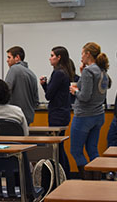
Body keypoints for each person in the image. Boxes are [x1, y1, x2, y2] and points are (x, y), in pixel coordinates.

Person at [69, 42, 110, 179]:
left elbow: (85, 97)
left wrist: (75, 91)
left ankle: (87, 182)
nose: (81, 57)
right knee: (92, 149)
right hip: (98, 115)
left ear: (87, 54)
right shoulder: (102, 70)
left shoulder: (88, 71)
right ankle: (96, 182)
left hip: (84, 116)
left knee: (76, 151)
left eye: (82, 53)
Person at [39, 46, 74, 178]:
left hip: (57, 114)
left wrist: (44, 85)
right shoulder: (65, 71)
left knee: (57, 148)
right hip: (63, 113)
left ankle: (63, 175)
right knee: (59, 147)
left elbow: (49, 95)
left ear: (59, 57)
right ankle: (64, 175)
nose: (50, 57)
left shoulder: (58, 73)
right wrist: (46, 85)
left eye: (52, 55)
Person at [5, 46, 39, 125]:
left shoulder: (13, 69)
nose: (7, 60)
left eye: (9, 57)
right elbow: (36, 101)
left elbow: (5, 91)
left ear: (17, 57)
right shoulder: (32, 74)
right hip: (27, 118)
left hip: (14, 117)